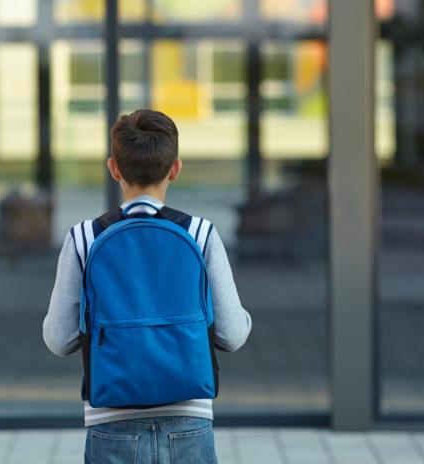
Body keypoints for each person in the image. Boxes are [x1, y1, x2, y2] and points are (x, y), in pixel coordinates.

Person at [43, 109, 252, 463]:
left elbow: (59, 339)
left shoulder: (84, 238)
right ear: (175, 168)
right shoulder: (201, 235)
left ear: (113, 168)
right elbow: (231, 335)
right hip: (189, 417)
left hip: (111, 420)